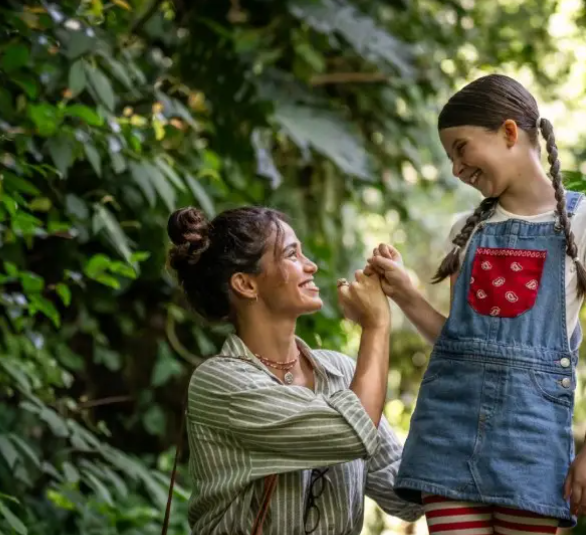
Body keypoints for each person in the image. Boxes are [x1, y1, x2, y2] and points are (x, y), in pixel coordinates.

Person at [365, 74, 586, 534]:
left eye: (461, 148)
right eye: (450, 156)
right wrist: (405, 292)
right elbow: (457, 341)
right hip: (448, 428)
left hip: (530, 440)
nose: (456, 168)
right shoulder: (467, 229)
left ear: (509, 133)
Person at [166, 205, 422, 534]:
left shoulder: (342, 373)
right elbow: (350, 432)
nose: (311, 266)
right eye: (292, 254)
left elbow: (405, 496)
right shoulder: (220, 384)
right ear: (246, 284)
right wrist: (375, 325)